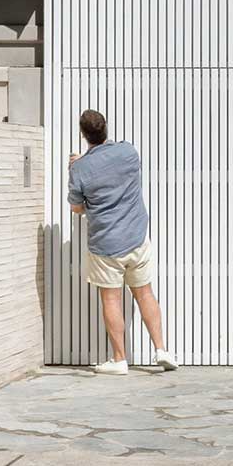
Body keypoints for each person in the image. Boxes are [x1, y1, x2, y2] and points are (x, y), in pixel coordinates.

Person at [67, 108, 177, 375]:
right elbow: (111, 166)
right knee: (145, 293)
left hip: (105, 245)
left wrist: (80, 164)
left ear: (84, 135)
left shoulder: (79, 168)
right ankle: (161, 350)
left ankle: (119, 360)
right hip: (136, 237)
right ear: (105, 128)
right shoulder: (128, 152)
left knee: (112, 300)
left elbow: (77, 208)